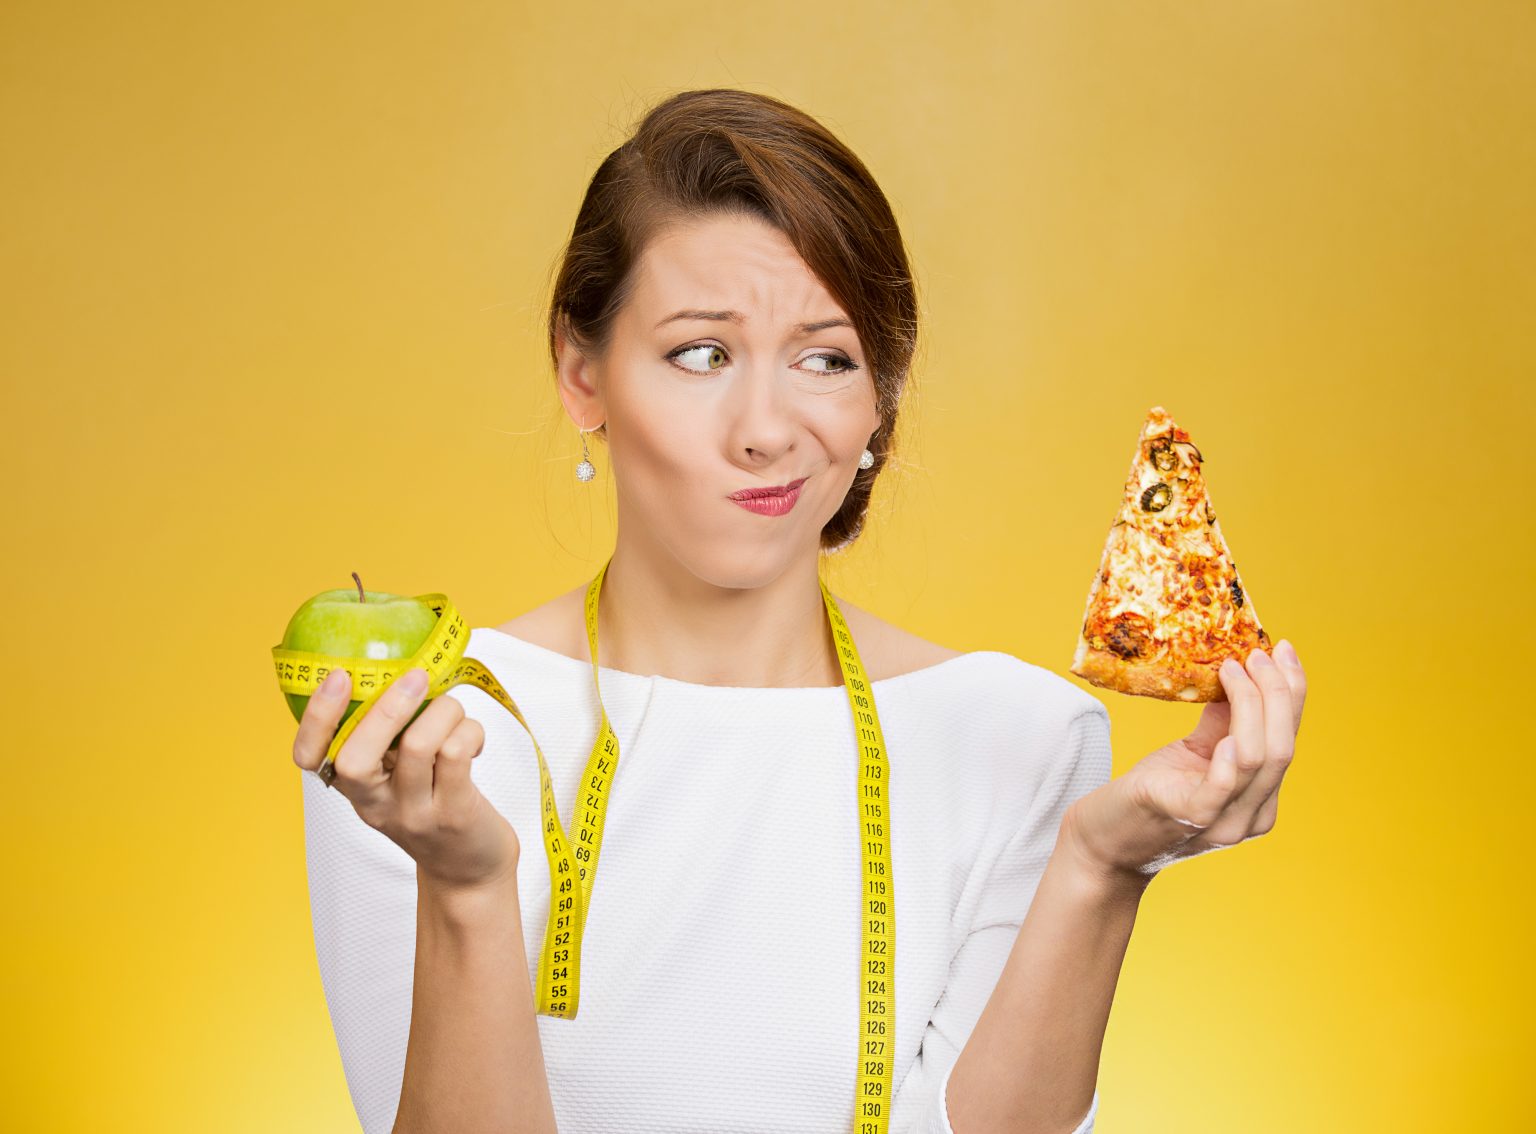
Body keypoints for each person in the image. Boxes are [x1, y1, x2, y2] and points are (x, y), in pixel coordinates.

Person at [291, 88, 1308, 1134]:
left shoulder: (1019, 736)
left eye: (825, 359)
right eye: (701, 353)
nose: (767, 430)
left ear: (880, 398)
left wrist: (1103, 866)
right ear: (579, 369)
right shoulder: (428, 743)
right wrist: (467, 889)